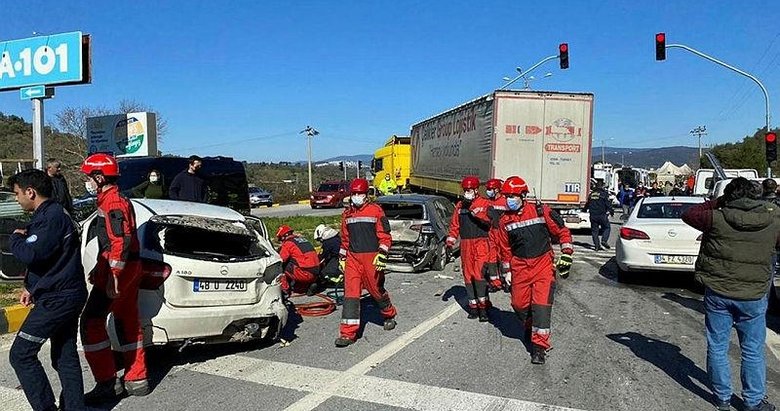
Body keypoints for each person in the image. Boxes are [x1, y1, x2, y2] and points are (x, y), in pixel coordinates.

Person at [682, 177, 780, 411]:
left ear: (728, 196)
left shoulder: (716, 217)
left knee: (717, 346)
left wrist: (719, 201)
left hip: (719, 290)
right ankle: (753, 401)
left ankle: (722, 398)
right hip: (754, 293)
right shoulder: (774, 218)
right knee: (753, 350)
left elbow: (689, 213)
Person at [7, 169, 87, 411]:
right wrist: (31, 287)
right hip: (63, 292)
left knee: (21, 354)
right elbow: (51, 260)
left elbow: (31, 254)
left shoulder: (51, 218)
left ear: (30, 192)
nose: (16, 199)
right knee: (64, 355)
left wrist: (15, 239)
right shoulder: (50, 214)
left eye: (17, 194)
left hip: (58, 299)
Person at [79, 153, 149, 404]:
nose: (87, 181)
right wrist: (101, 268)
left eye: (89, 177)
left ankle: (107, 383)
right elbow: (112, 242)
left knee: (91, 323)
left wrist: (113, 275)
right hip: (129, 268)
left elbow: (120, 241)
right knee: (127, 320)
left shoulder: (113, 202)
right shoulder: (115, 199)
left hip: (120, 271)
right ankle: (137, 378)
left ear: (99, 177)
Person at [494, 176, 573, 365]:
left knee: (541, 307)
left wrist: (567, 253)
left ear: (523, 195)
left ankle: (539, 348)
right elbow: (505, 249)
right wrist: (507, 272)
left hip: (542, 266)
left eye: (512, 196)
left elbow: (562, 231)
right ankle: (530, 327)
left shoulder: (540, 211)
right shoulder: (504, 221)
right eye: (507, 196)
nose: (509, 200)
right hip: (520, 268)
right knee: (519, 305)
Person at [336, 178, 397, 347]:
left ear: (366, 194)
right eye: (354, 193)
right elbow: (345, 240)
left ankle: (389, 314)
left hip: (371, 258)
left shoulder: (376, 211)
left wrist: (382, 254)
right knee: (351, 294)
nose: (356, 196)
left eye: (359, 193)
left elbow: (385, 236)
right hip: (353, 259)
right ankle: (347, 333)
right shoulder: (347, 214)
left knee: (376, 291)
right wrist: (342, 257)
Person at [446, 176, 493, 321]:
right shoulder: (460, 206)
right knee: (468, 275)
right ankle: (473, 307)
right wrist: (450, 241)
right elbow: (455, 225)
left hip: (481, 243)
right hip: (466, 244)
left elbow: (489, 221)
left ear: (476, 190)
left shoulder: (485, 203)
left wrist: (473, 210)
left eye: (469, 190)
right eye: (465, 190)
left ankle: (483, 308)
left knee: (479, 275)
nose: (467, 192)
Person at [277, 225, 320, 297]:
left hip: (304, 274)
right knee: (295, 263)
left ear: (283, 236)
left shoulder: (288, 243)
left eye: (280, 239)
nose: (281, 241)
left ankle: (285, 291)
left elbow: (281, 259)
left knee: (279, 267)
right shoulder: (303, 240)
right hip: (316, 272)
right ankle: (308, 286)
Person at [485, 178, 508, 292]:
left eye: (491, 189)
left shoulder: (505, 202)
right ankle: (495, 282)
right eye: (488, 189)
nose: (488, 191)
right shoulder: (488, 202)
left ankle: (506, 281)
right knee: (492, 257)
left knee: (505, 257)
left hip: (503, 233)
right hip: (492, 232)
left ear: (497, 189)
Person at [584, 181, 613, 251]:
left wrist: (584, 209)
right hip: (602, 215)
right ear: (602, 186)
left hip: (593, 215)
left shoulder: (591, 194)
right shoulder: (604, 194)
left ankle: (597, 246)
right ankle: (604, 240)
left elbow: (587, 204)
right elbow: (608, 204)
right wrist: (611, 211)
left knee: (594, 231)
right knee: (607, 227)